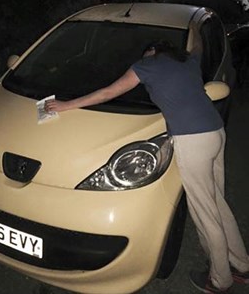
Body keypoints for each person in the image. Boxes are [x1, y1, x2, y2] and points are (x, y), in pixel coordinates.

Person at [45, 24, 249, 294]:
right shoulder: (186, 61)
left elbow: (107, 92)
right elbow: (197, 46)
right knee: (218, 204)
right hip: (215, 132)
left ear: (151, 51)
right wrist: (195, 29)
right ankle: (242, 265)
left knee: (205, 212)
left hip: (192, 141)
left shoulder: (147, 65)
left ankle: (221, 279)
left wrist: (64, 105)